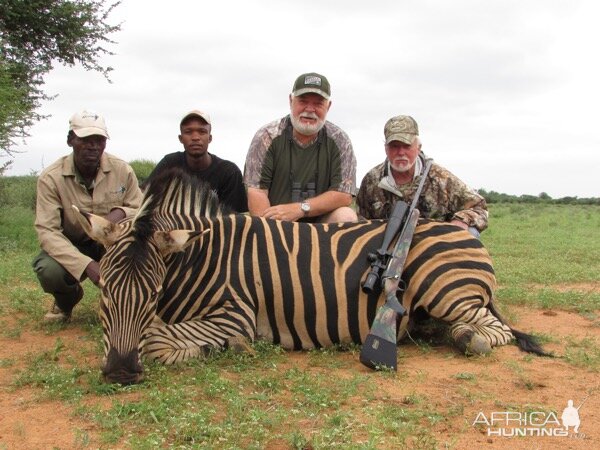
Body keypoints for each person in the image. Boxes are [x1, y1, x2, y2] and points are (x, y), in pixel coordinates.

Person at [33, 110, 143, 322]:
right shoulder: (51, 178)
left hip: (113, 242)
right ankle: (67, 301)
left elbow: (140, 208)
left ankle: (129, 307)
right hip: (73, 244)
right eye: (85, 139)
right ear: (71, 140)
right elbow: (47, 231)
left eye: (99, 140)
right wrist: (87, 265)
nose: (93, 146)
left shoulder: (122, 170)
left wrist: (119, 213)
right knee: (49, 271)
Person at [243, 72, 357, 223]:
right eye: (303, 101)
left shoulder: (340, 140)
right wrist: (273, 231)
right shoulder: (266, 137)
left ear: (328, 106)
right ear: (291, 101)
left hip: (321, 228)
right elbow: (257, 191)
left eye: (318, 103)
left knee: (346, 216)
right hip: (277, 224)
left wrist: (300, 209)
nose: (310, 109)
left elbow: (344, 195)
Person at [356, 115, 488, 235]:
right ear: (386, 148)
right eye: (394, 146)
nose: (401, 152)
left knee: (469, 233)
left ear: (418, 147)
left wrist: (462, 221)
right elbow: (362, 221)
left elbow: (479, 207)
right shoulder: (371, 180)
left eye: (407, 146)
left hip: (434, 245)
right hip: (386, 246)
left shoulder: (441, 177)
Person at [143, 110, 248, 213]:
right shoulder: (169, 164)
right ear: (181, 138)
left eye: (202, 132)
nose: (195, 138)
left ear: (210, 138)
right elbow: (144, 196)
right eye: (188, 132)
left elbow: (236, 217)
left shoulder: (229, 172)